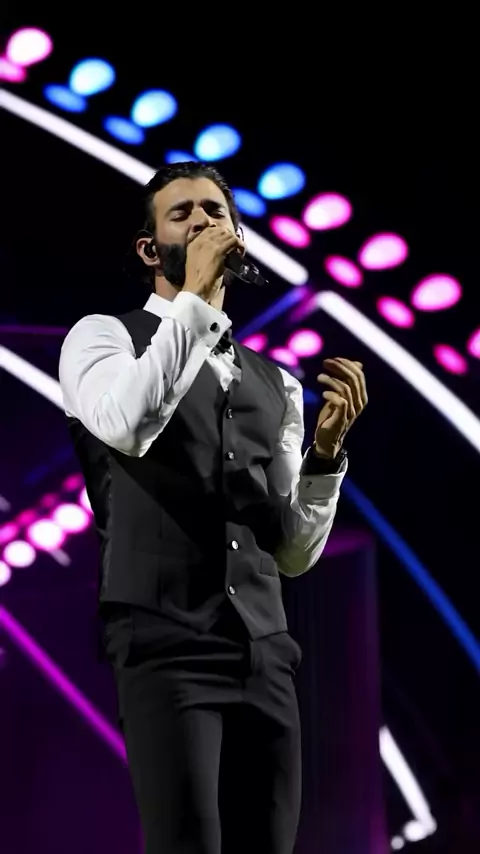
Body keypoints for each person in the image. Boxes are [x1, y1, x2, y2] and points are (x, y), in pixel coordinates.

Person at [59, 161, 367, 854]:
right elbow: (128, 425)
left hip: (265, 649)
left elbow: (291, 552)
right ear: (150, 249)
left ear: (238, 235)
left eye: (214, 211)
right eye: (182, 214)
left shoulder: (278, 384)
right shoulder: (103, 338)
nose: (202, 221)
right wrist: (195, 299)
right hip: (164, 638)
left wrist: (324, 458)